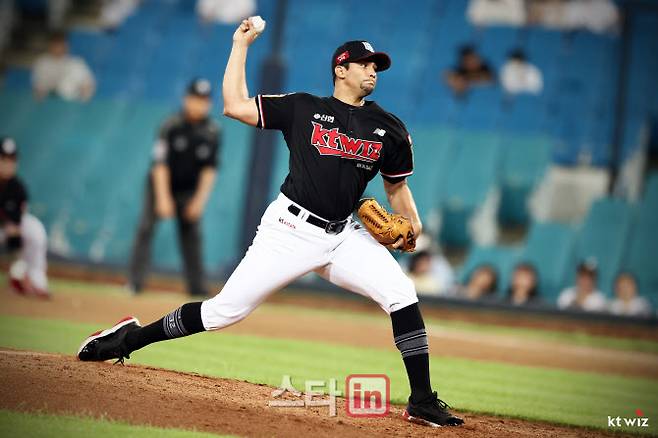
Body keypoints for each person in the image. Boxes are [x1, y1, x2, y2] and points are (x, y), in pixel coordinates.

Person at [78, 19, 464, 428]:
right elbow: (233, 104)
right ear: (341, 68)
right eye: (366, 64)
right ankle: (129, 338)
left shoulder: (389, 129)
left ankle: (421, 399)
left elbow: (396, 188)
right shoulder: (303, 107)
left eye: (377, 66)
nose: (373, 71)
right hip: (290, 230)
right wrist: (240, 44)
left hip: (344, 235)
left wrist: (414, 225)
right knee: (223, 312)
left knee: (401, 293)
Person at [128, 78, 220, 297]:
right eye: (196, 99)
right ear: (185, 99)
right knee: (145, 228)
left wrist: (199, 201)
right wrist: (162, 198)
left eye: (204, 100)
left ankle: (197, 288)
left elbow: (209, 170)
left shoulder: (212, 131)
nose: (200, 104)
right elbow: (159, 164)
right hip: (160, 185)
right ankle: (135, 283)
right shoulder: (170, 125)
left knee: (192, 236)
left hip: (189, 190)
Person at [0, 137, 49, 298]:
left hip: (7, 231)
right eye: (4, 158)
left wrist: (18, 264)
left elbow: (16, 226)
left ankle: (35, 278)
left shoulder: (18, 188)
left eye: (12, 159)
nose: (8, 163)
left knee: (35, 229)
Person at [32, 30, 95, 102]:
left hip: (71, 103)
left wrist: (82, 100)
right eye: (55, 44)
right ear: (50, 45)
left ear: (66, 46)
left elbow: (88, 85)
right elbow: (37, 87)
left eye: (61, 44)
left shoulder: (76, 63)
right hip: (49, 103)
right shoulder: (42, 63)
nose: (58, 48)